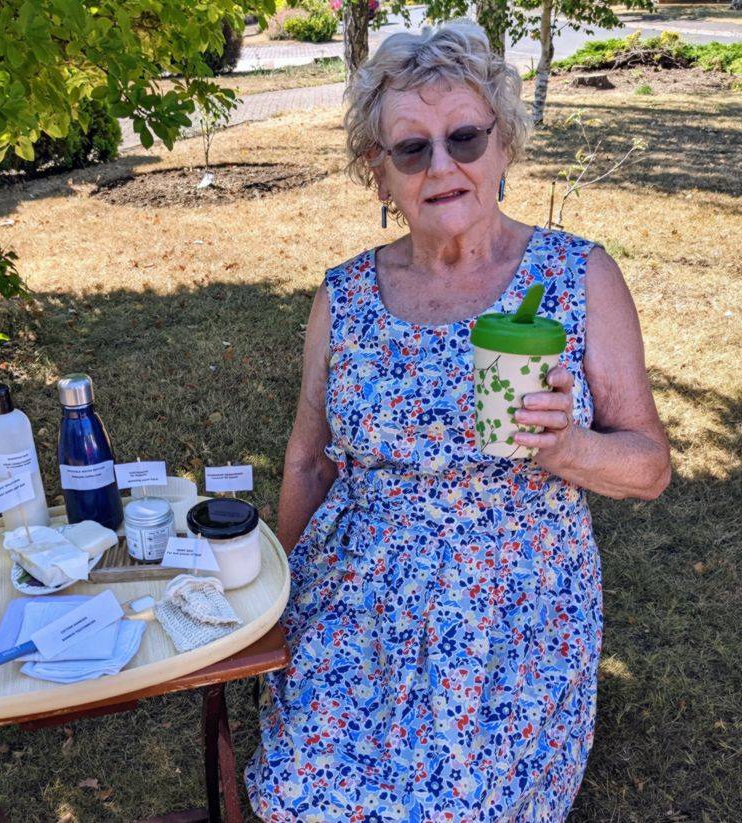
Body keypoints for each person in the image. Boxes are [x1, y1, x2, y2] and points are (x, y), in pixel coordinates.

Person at [245, 19, 671, 822]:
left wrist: (568, 446)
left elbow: (649, 466)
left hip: (512, 617)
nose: (443, 166)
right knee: (299, 797)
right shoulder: (343, 297)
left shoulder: (578, 277)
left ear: (503, 147)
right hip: (354, 605)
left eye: (465, 138)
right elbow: (307, 463)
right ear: (379, 174)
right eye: (411, 149)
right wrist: (278, 608)